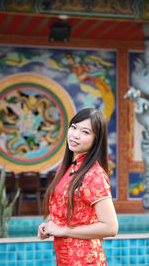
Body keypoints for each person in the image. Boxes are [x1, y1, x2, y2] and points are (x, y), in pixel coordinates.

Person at [38, 108, 118, 265]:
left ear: (96, 139)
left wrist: (64, 230)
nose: (75, 135)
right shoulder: (68, 168)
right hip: (66, 258)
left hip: (86, 260)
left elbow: (111, 227)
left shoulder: (94, 175)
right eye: (73, 127)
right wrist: (48, 226)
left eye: (85, 132)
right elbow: (66, 209)